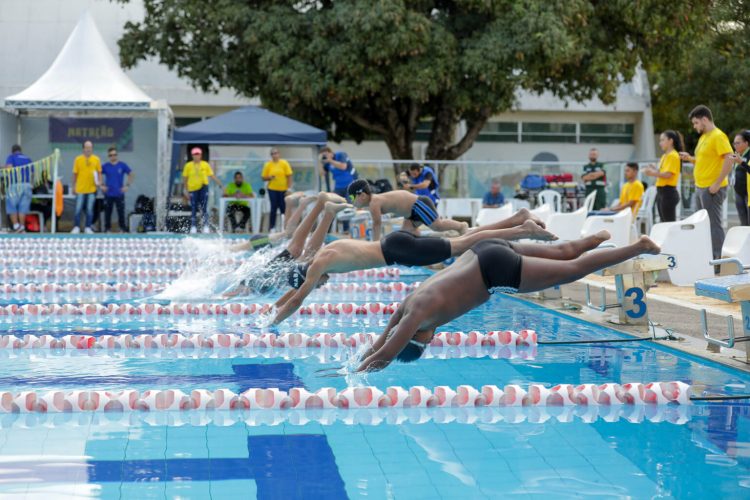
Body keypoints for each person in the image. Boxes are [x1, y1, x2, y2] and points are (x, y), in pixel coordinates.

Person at [356, 234, 660, 371]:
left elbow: (383, 356)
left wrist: (353, 376)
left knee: (572, 271)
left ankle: (637, 246)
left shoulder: (420, 319)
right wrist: (357, 359)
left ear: (420, 339)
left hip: (493, 272)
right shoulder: (408, 303)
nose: (433, 337)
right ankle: (593, 239)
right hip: (481, 250)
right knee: (564, 251)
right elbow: (380, 342)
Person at [270, 209, 556, 325]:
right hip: (395, 243)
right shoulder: (323, 253)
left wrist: (272, 323)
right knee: (463, 240)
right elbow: (296, 291)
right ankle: (517, 218)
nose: (321, 284)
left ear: (308, 275)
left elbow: (298, 297)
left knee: (463, 244)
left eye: (316, 283)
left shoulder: (318, 266)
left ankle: (521, 229)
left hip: (399, 252)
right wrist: (274, 305)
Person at [679, 105, 734, 259]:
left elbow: (730, 158)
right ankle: (705, 258)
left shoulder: (718, 136)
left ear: (704, 119)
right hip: (700, 187)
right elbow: (706, 160)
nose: (694, 126)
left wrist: (717, 183)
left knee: (713, 226)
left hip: (712, 189)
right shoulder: (704, 137)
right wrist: (690, 158)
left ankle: (718, 262)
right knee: (701, 226)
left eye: (696, 123)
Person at [347, 179, 467, 240]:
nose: (351, 200)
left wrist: (374, 245)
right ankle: (425, 254)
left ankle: (461, 226)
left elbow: (376, 225)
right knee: (407, 233)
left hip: (418, 205)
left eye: (352, 197)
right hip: (410, 214)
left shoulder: (374, 203)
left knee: (437, 226)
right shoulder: (373, 202)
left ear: (362, 195)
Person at [643, 131, 682, 223]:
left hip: (668, 192)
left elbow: (668, 174)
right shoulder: (665, 156)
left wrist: (653, 173)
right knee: (663, 221)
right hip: (661, 191)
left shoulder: (673, 155)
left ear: (670, 141)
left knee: (668, 222)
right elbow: (662, 172)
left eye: (663, 140)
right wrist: (654, 170)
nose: (660, 143)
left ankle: (672, 238)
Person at [182, 147, 223, 234]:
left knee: (204, 208)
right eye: (195, 154)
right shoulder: (188, 165)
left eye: (198, 154)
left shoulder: (205, 164)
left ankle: (205, 226)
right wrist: (185, 190)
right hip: (192, 189)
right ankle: (193, 226)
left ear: (201, 155)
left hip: (203, 187)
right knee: (193, 208)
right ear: (192, 155)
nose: (196, 156)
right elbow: (185, 179)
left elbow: (212, 176)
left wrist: (221, 185)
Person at [100, 147, 134, 233]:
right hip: (108, 194)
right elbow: (97, 174)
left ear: (117, 155)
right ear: (108, 156)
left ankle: (122, 228)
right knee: (107, 213)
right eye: (111, 155)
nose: (113, 156)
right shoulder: (105, 166)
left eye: (114, 154)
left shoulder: (122, 165)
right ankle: (107, 229)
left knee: (121, 212)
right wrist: (101, 185)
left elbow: (131, 174)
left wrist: (127, 185)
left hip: (119, 193)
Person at [71, 141, 102, 234]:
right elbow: (75, 174)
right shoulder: (78, 159)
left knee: (90, 209)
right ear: (83, 148)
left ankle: (88, 227)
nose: (88, 149)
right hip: (80, 189)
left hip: (92, 189)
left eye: (90, 147)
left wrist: (100, 181)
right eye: (86, 147)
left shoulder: (96, 159)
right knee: (78, 208)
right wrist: (73, 186)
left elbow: (99, 172)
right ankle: (76, 227)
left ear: (92, 148)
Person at [262, 148, 293, 231]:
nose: (274, 155)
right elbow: (263, 177)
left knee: (283, 208)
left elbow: (289, 176)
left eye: (276, 153)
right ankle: (272, 227)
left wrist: (289, 189)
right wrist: (269, 177)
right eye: (272, 154)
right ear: (271, 155)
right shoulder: (268, 164)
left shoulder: (284, 163)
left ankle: (285, 227)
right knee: (273, 208)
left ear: (279, 154)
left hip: (283, 189)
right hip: (272, 189)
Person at [3, 145, 33, 232]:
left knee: (12, 206)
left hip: (15, 185)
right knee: (23, 207)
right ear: (20, 150)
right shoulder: (28, 158)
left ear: (12, 151)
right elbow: (32, 173)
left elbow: (9, 168)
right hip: (27, 185)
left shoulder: (11, 157)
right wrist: (30, 184)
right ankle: (22, 226)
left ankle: (16, 226)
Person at [731, 131, 750, 226]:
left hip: (748, 193)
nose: (735, 145)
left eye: (738, 143)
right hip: (739, 192)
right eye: (734, 143)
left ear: (746, 143)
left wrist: (741, 162)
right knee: (743, 223)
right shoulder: (737, 155)